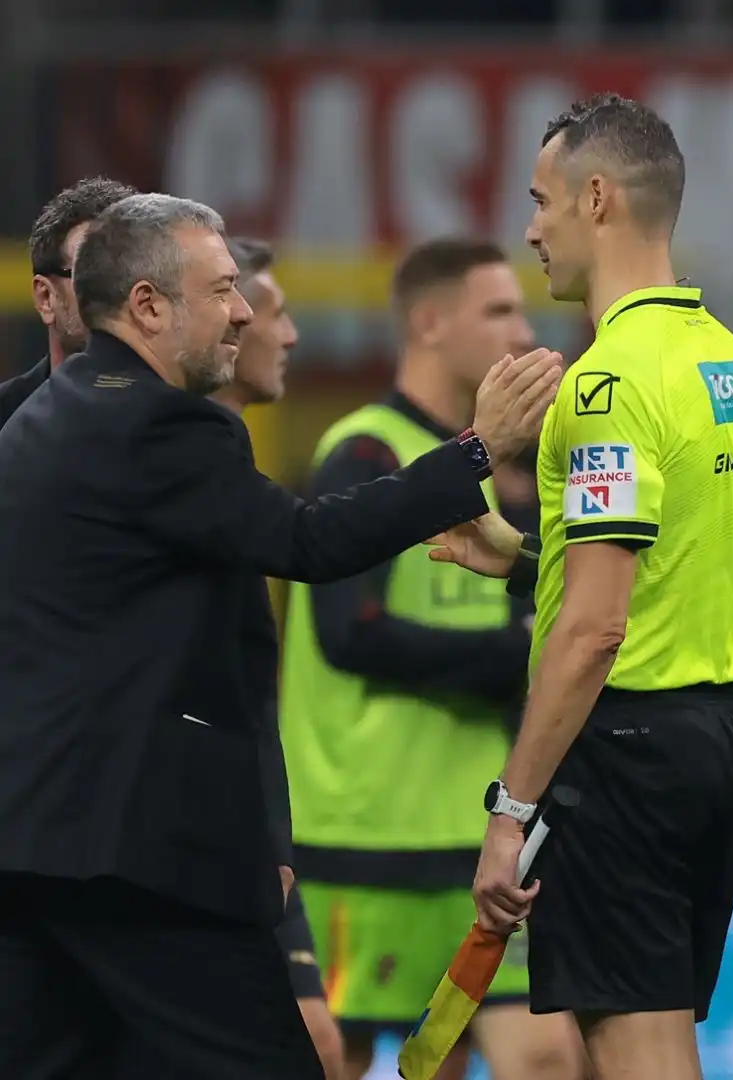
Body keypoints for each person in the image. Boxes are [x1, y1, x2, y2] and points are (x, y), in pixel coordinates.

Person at [0, 193, 558, 1078]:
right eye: (223, 289)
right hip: (141, 852)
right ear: (148, 305)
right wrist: (476, 450)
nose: (247, 311)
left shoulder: (42, 417)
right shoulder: (158, 423)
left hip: (39, 840)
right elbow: (309, 542)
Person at [448, 92, 733, 1080]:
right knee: (661, 1036)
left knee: (633, 1049)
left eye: (542, 201)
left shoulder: (605, 386)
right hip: (721, 742)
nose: (532, 229)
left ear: (597, 199)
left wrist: (513, 811)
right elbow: (674, 560)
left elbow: (595, 631)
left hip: (626, 753)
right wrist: (527, 559)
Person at [277, 237, 585, 1080]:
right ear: (429, 322)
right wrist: (515, 657)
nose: (522, 330)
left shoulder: (506, 479)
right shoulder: (366, 451)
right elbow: (352, 632)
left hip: (478, 825)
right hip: (366, 826)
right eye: (498, 310)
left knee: (544, 1057)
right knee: (348, 1059)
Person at [206, 236, 349, 1080]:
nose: (285, 332)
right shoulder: (156, 462)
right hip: (183, 837)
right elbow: (316, 548)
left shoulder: (228, 463)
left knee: (324, 1050)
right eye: (267, 308)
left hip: (262, 833)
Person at [0, 176, 138, 427]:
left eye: (134, 274)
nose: (121, 291)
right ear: (45, 298)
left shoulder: (194, 425)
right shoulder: (5, 419)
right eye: (93, 273)